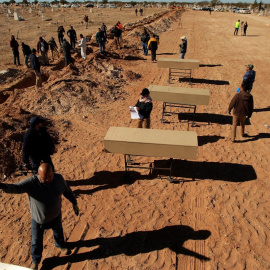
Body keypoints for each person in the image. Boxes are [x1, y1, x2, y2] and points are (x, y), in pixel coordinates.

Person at [0, 163, 79, 270]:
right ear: (38, 174)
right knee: (36, 241)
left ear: (53, 173)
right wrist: (3, 186)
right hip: (38, 219)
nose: (47, 180)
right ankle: (36, 261)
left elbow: (67, 191)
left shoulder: (58, 179)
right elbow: (16, 188)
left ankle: (60, 245)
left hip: (55, 215)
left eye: (50, 177)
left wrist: (74, 203)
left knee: (58, 231)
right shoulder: (32, 182)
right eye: (44, 178)